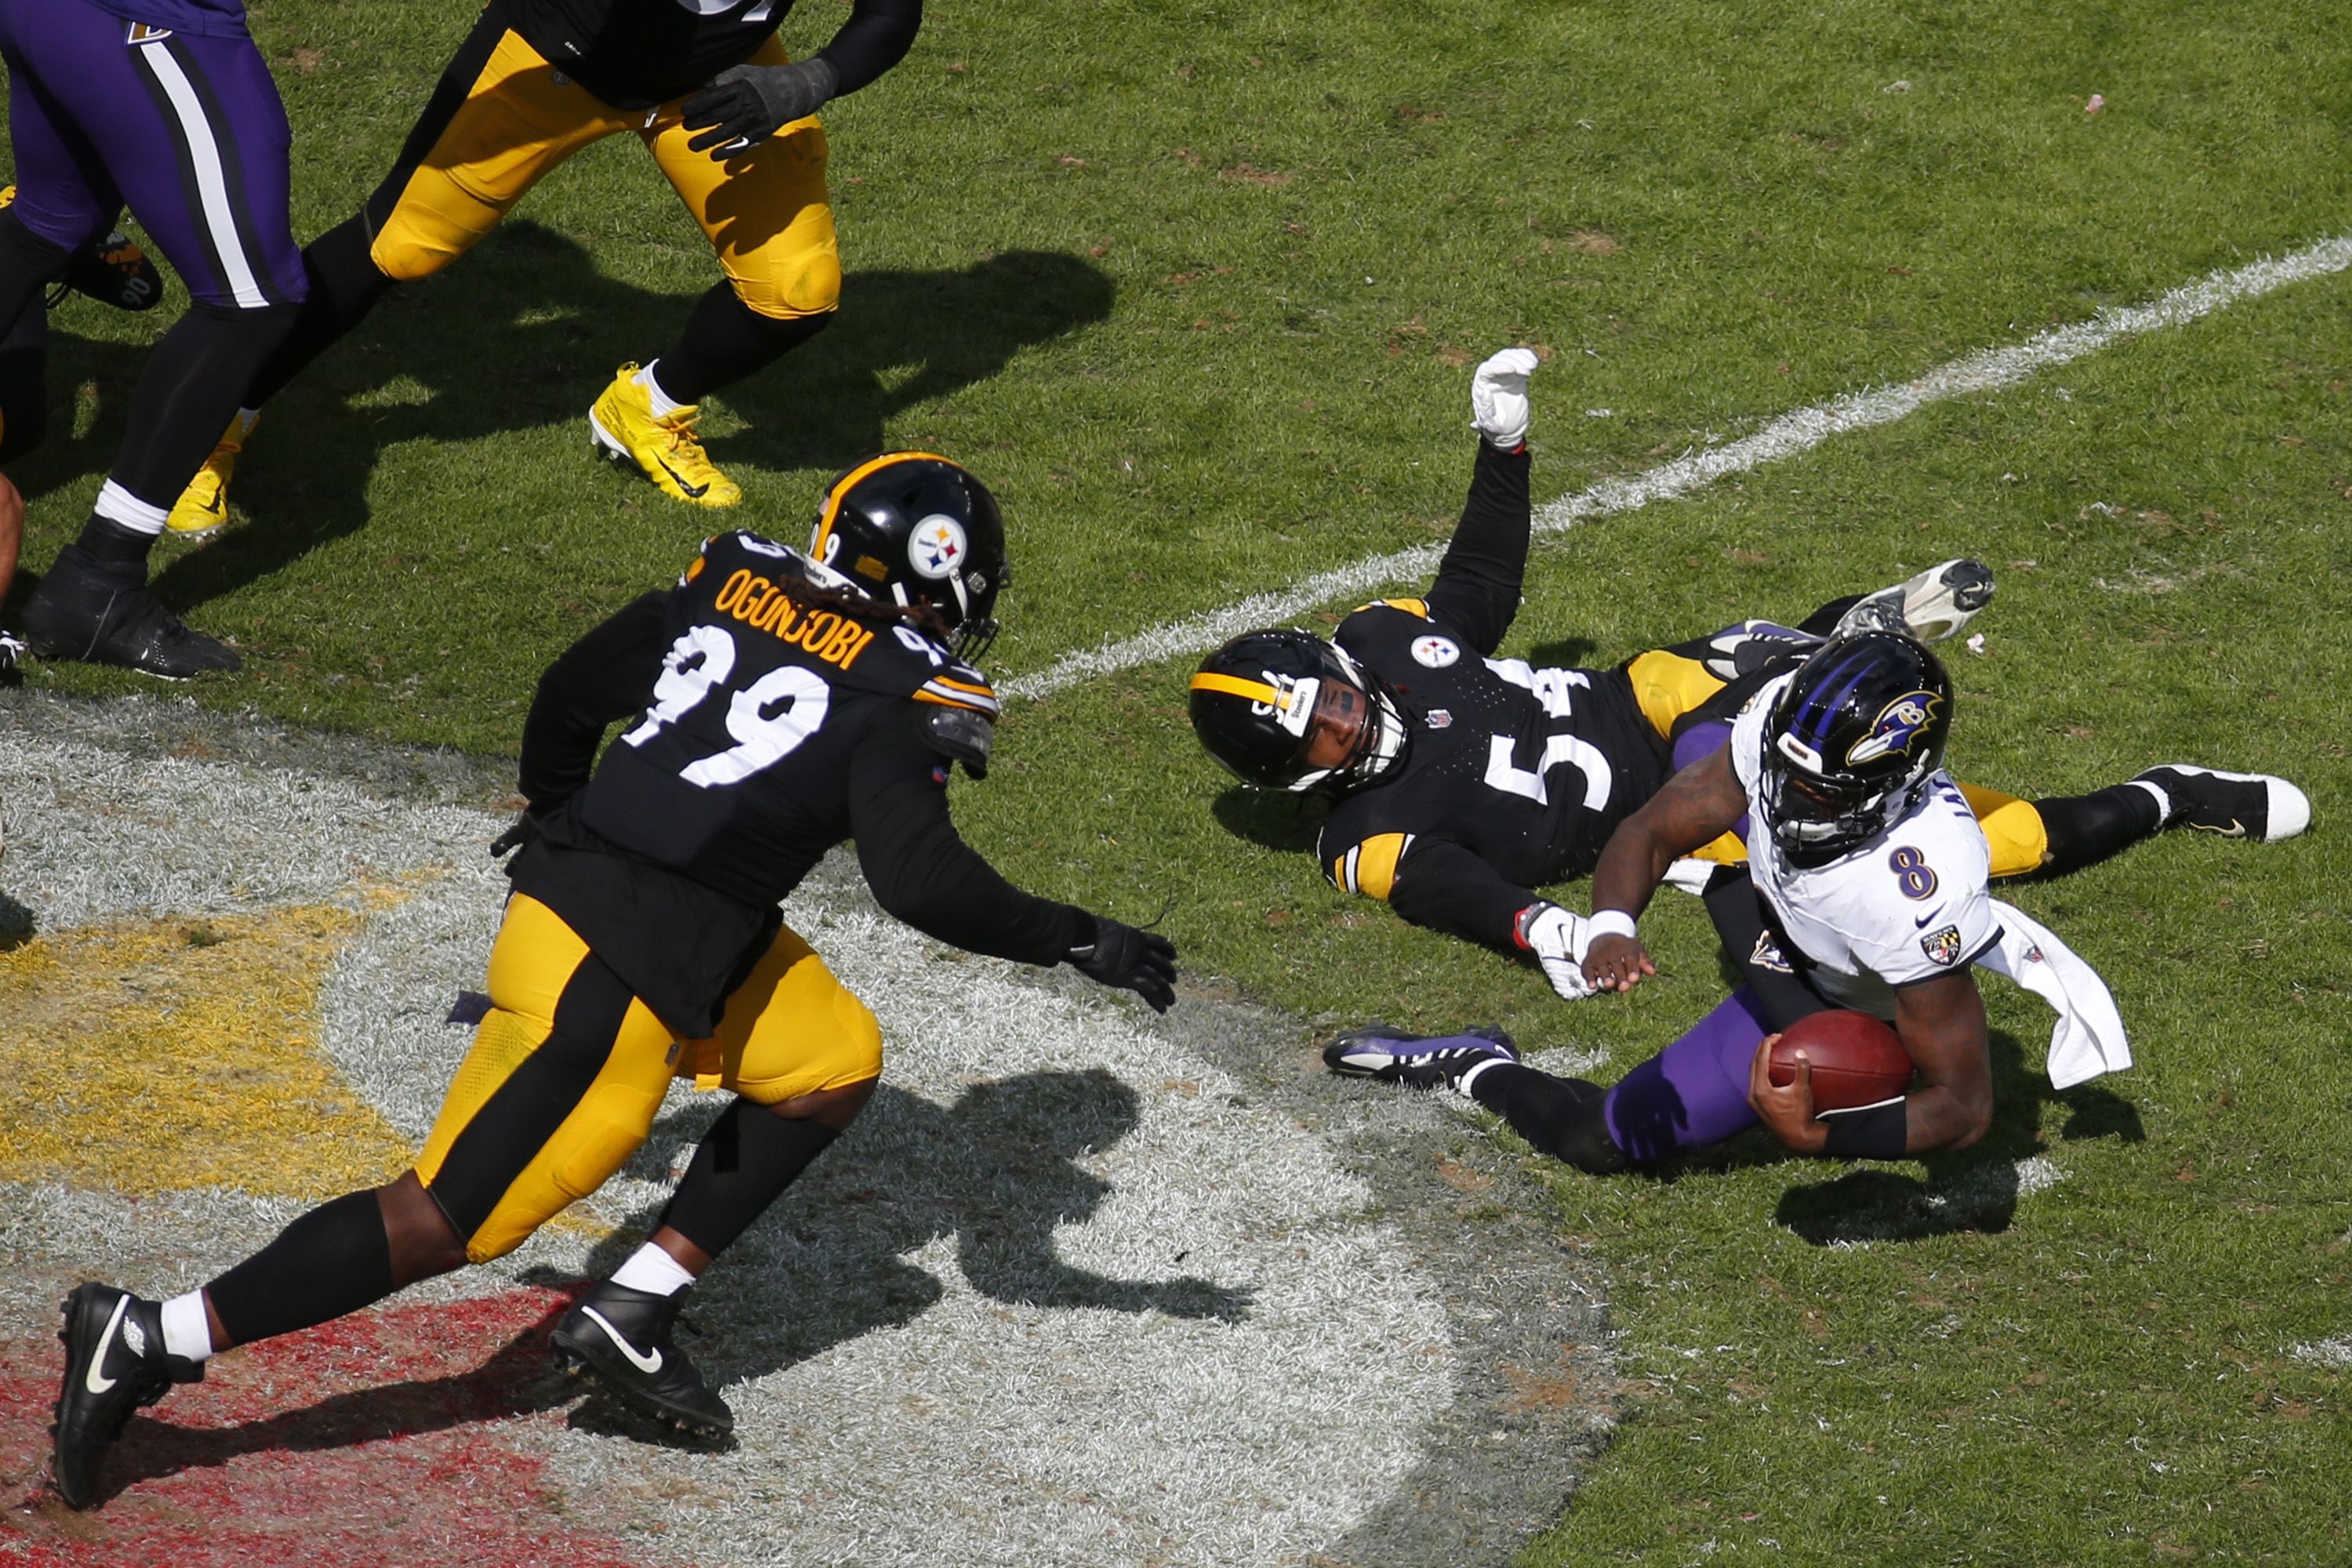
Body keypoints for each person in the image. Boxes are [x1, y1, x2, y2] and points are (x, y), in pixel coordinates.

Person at [48, 452, 1178, 1510]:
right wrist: (1077, 936)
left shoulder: (733, 580)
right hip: (613, 964)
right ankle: (154, 1334)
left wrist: (552, 802)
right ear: (936, 578)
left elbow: (575, 687)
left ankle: (636, 1302)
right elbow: (921, 881)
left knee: (829, 1057)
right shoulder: (902, 690)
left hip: (648, 916)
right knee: (446, 1216)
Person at [1189, 350, 2308, 1006]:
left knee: (1733, 662)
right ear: (1300, 775)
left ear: (1337, 665)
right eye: (1326, 735)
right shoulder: (1363, 834)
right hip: (1672, 806)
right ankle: (2173, 793)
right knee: (1997, 846)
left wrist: (1505, 450)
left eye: (1336, 696)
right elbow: (1452, 890)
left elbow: (1477, 584)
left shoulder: (1384, 638)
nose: (1350, 720)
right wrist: (1545, 934)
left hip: (1645, 698)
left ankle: (1838, 646)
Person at [1324, 630, 2310, 1173]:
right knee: (1708, 836)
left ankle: (2169, 790)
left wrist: (1826, 1134)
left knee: (1612, 1136)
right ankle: (1474, 1065)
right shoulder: (1782, 740)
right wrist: (1614, 923)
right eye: (1784, 774)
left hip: (1840, 980)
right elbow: (1651, 827)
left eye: (1817, 787)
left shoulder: (1918, 892)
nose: (1786, 797)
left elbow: (1964, 1107)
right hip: (1789, 919)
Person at [165, 0, 922, 533]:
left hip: (719, 78)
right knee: (401, 243)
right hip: (554, 58)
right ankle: (213, 424)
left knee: (797, 289)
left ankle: (648, 407)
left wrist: (807, 81)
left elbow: (890, 14)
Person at [0, 0, 307, 677]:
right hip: (144, 23)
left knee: (54, 221)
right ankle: (98, 583)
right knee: (252, 299)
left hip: (55, 16)